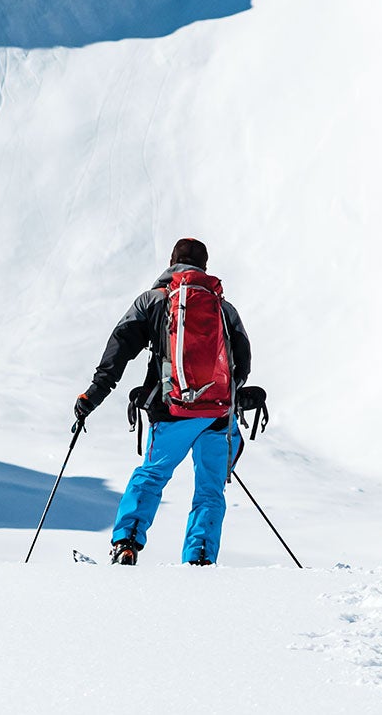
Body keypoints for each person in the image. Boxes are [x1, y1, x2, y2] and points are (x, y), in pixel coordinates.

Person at [75, 236, 263, 566]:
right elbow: (243, 362)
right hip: (217, 415)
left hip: (172, 410)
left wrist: (92, 396)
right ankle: (200, 557)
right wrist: (222, 398)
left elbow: (118, 351)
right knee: (209, 490)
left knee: (152, 475)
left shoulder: (153, 300)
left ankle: (127, 543)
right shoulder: (223, 307)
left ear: (171, 262)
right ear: (204, 266)